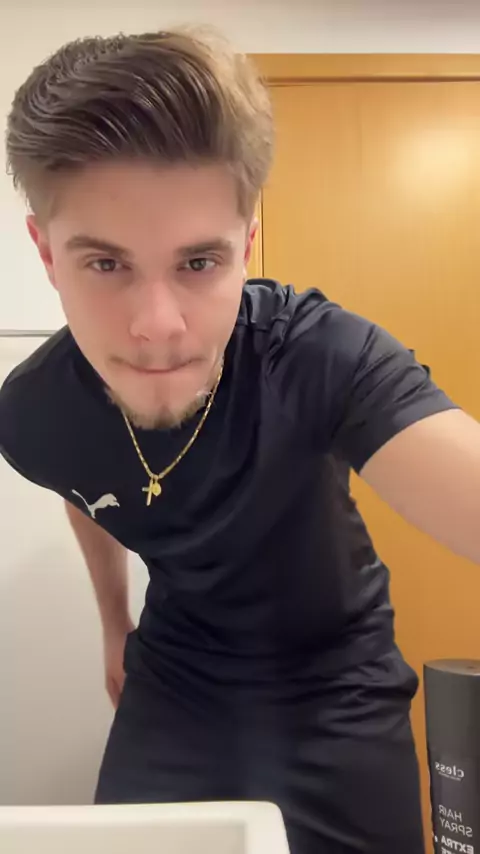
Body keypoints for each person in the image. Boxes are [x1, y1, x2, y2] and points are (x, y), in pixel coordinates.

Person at [1, 27, 479, 854]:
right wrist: (114, 622)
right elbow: (84, 486)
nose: (158, 327)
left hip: (338, 684)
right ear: (46, 253)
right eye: (106, 265)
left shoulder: (321, 355)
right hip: (173, 683)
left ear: (246, 245)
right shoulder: (33, 414)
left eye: (199, 263)